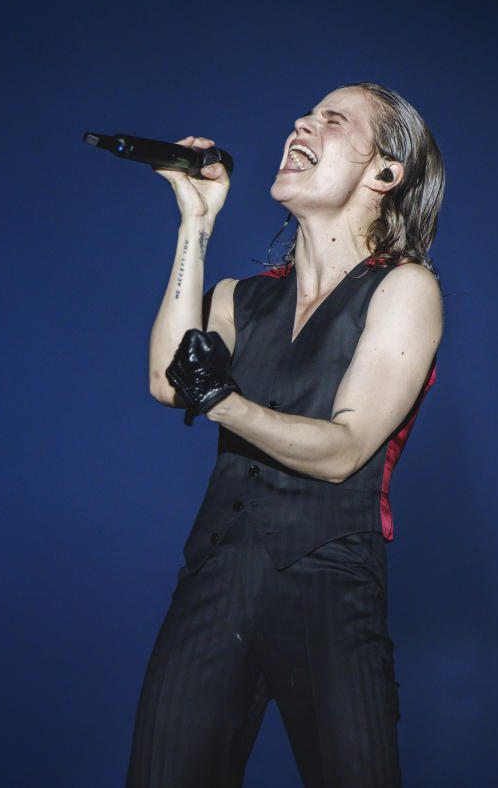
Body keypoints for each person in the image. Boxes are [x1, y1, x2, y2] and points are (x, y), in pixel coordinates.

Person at [127, 82, 445, 788]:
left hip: (328, 577)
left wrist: (225, 402)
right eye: (304, 113)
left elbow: (345, 450)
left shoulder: (403, 288)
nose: (301, 122)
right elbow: (165, 380)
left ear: (384, 174)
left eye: (332, 120)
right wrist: (196, 222)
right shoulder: (241, 298)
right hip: (219, 573)